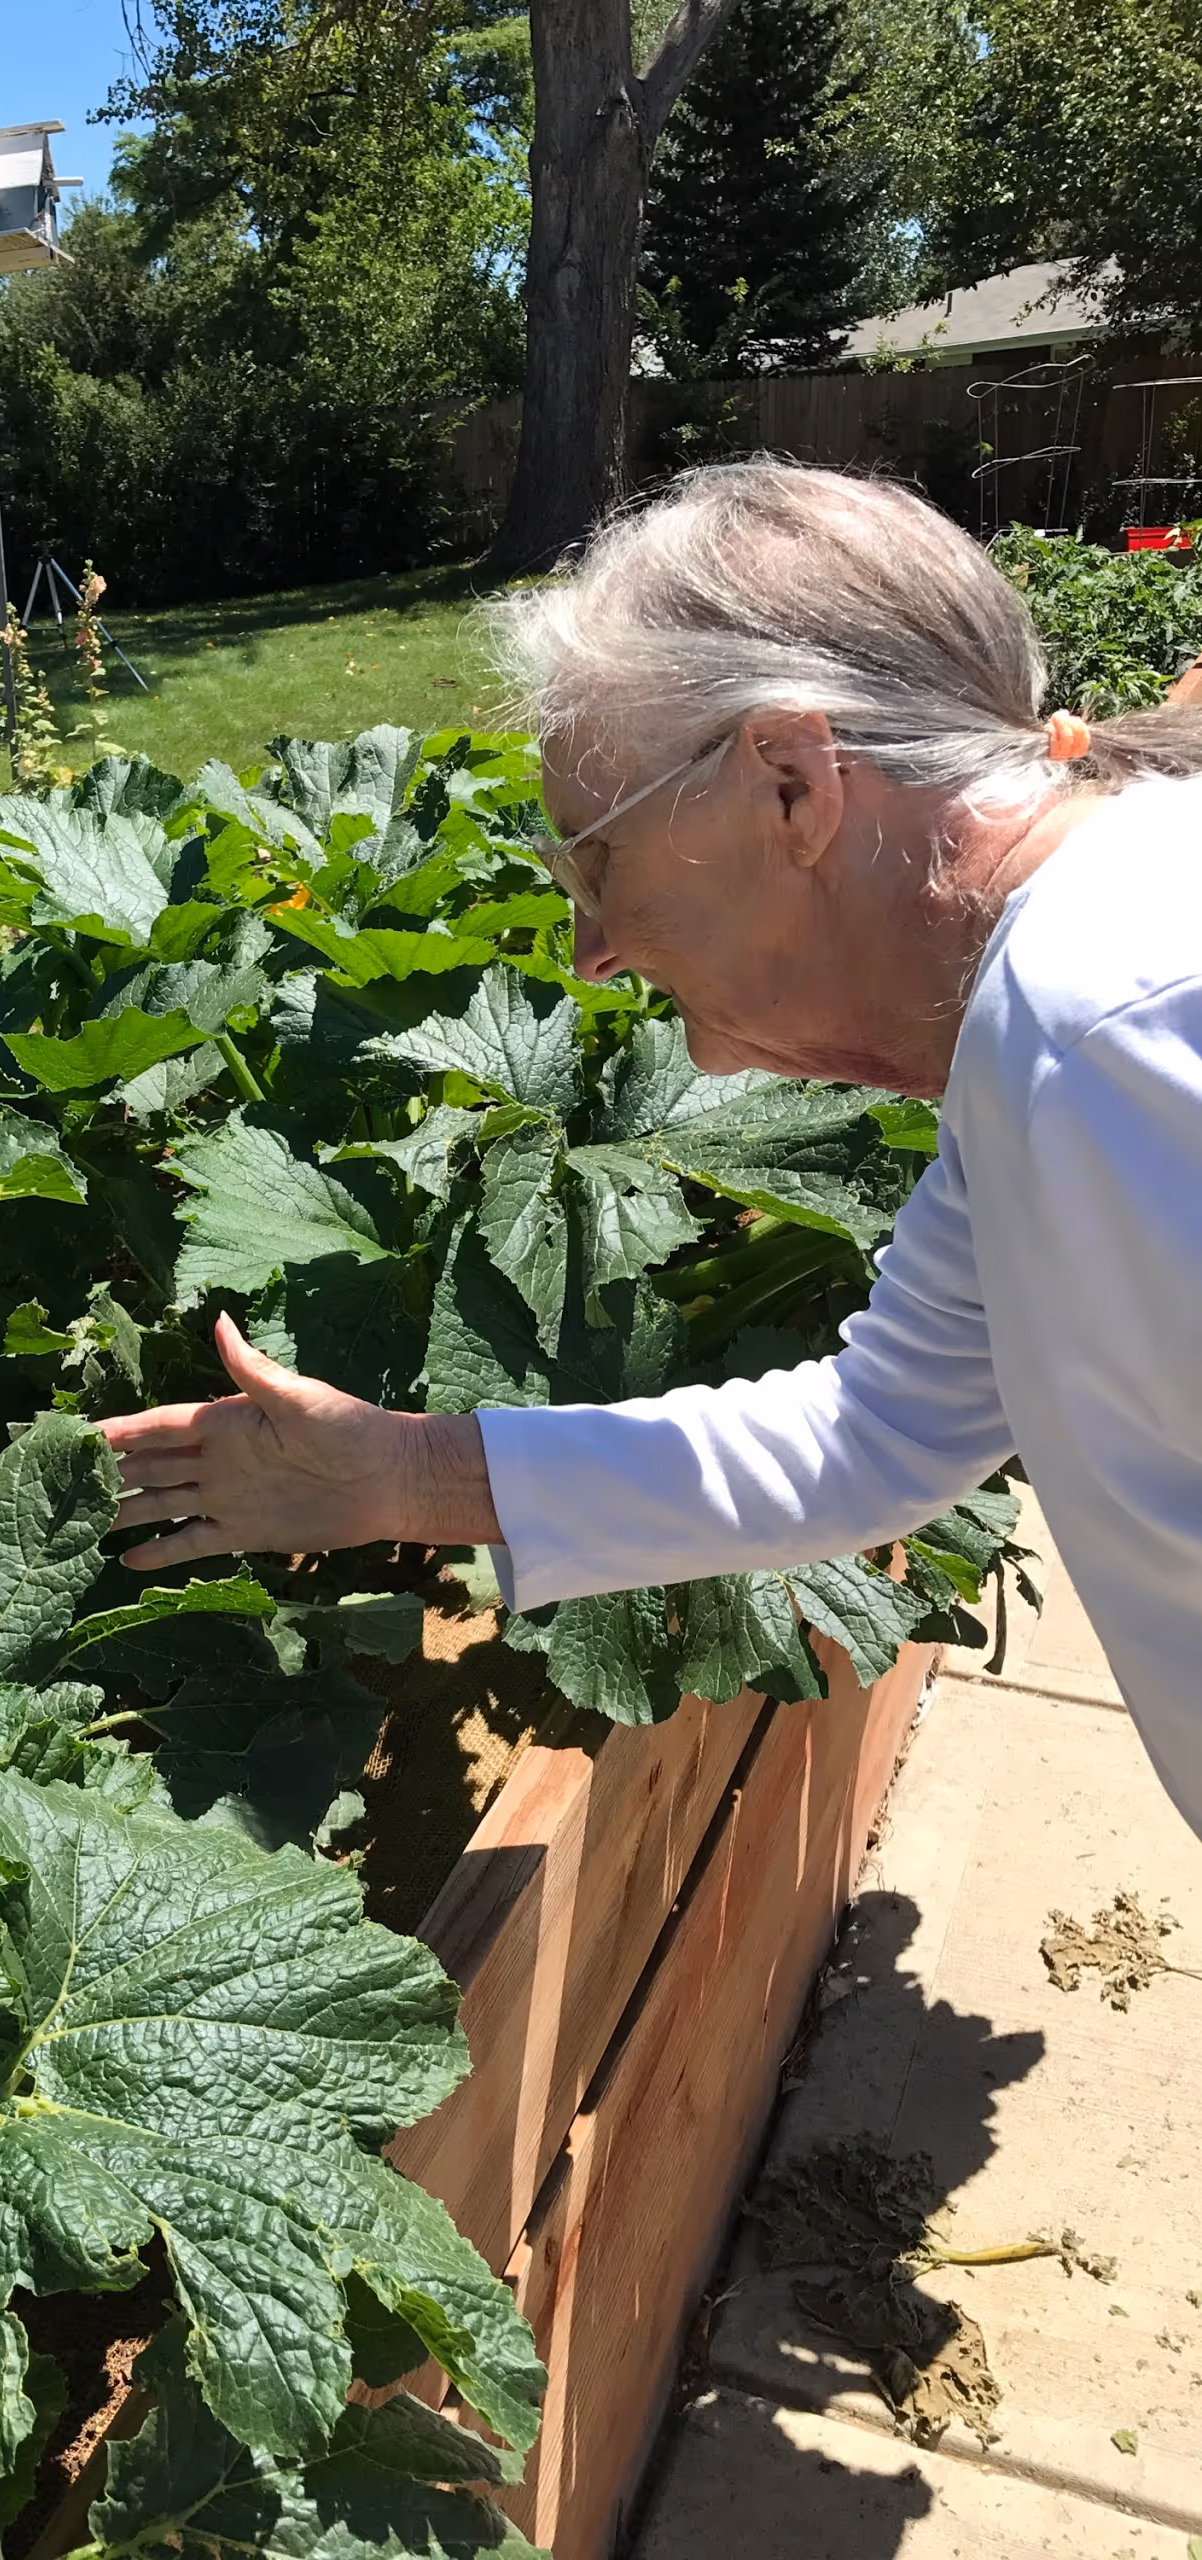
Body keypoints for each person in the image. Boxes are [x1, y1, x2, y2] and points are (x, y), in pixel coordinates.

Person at [101, 462, 1202, 1835]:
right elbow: (878, 1438)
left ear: (793, 782)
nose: (591, 950)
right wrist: (399, 1472)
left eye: (595, 862)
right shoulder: (1057, 1022)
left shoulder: (1123, 1033)